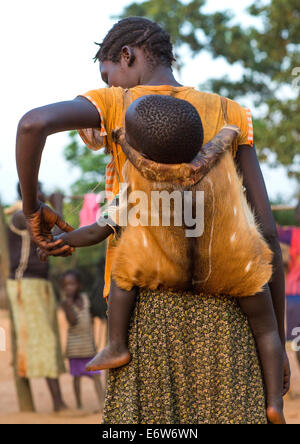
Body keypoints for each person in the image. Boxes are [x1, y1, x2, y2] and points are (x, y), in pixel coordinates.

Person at [16, 17, 289, 424]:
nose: (110, 86)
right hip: (229, 304)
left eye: (108, 76)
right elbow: (266, 230)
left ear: (126, 56)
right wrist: (276, 339)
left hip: (146, 309)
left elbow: (32, 124)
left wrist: (32, 207)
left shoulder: (117, 105)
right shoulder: (231, 113)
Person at [6, 183, 67, 412]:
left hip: (40, 283)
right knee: (44, 341)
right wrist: (57, 204)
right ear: (28, 194)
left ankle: (59, 402)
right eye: (37, 190)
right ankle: (58, 405)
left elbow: (58, 236)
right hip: (26, 284)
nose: (40, 194)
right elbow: (57, 227)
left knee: (49, 340)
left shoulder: (32, 214)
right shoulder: (22, 215)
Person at [61, 270, 104, 411]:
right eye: (65, 285)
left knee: (96, 375)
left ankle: (102, 403)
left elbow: (91, 316)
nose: (69, 288)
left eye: (72, 284)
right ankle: (79, 405)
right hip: (74, 349)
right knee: (76, 377)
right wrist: (68, 304)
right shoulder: (65, 303)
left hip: (88, 347)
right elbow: (72, 321)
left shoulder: (86, 299)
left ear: (79, 285)